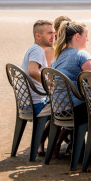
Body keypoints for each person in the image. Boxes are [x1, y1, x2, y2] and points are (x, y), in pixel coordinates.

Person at [51, 20, 91, 155]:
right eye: (86, 36)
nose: (88, 39)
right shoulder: (81, 55)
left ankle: (77, 149)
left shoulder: (57, 56)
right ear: (77, 36)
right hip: (76, 111)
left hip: (59, 109)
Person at [21, 19, 55, 155]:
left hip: (29, 102)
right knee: (68, 108)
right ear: (38, 36)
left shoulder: (33, 49)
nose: (53, 36)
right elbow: (33, 71)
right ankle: (58, 146)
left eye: (53, 33)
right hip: (37, 104)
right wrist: (50, 85)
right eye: (49, 33)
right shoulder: (38, 51)